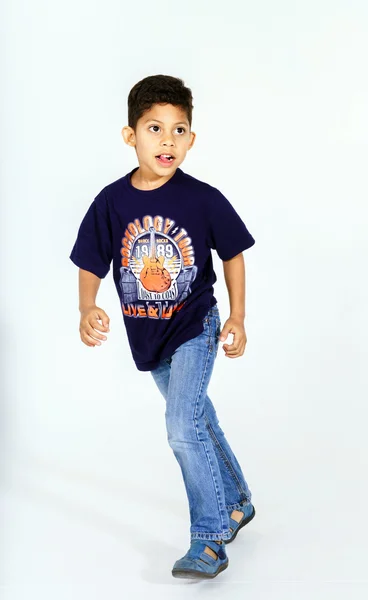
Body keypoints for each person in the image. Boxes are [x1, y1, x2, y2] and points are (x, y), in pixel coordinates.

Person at [69, 74, 256, 579]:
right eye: (154, 129)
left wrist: (237, 315)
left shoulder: (202, 198)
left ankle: (210, 539)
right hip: (148, 335)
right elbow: (91, 260)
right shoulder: (112, 201)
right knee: (196, 419)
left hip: (195, 325)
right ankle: (238, 499)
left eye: (179, 131)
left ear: (191, 139)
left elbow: (234, 252)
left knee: (180, 428)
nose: (167, 141)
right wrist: (88, 305)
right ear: (130, 135)